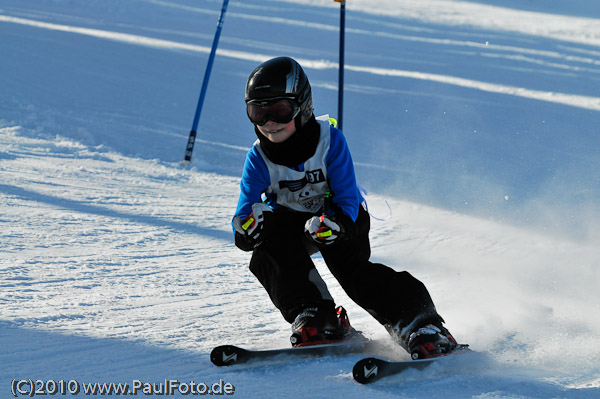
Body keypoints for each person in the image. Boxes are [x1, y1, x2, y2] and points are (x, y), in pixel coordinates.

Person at [232, 56, 459, 359]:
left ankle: (420, 324)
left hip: (340, 217)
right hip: (290, 224)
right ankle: (316, 315)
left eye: (279, 110)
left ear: (303, 106)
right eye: (258, 112)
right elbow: (245, 208)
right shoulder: (258, 158)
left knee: (352, 272)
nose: (269, 123)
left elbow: (348, 197)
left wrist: (339, 225)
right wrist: (247, 230)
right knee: (267, 254)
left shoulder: (329, 141)